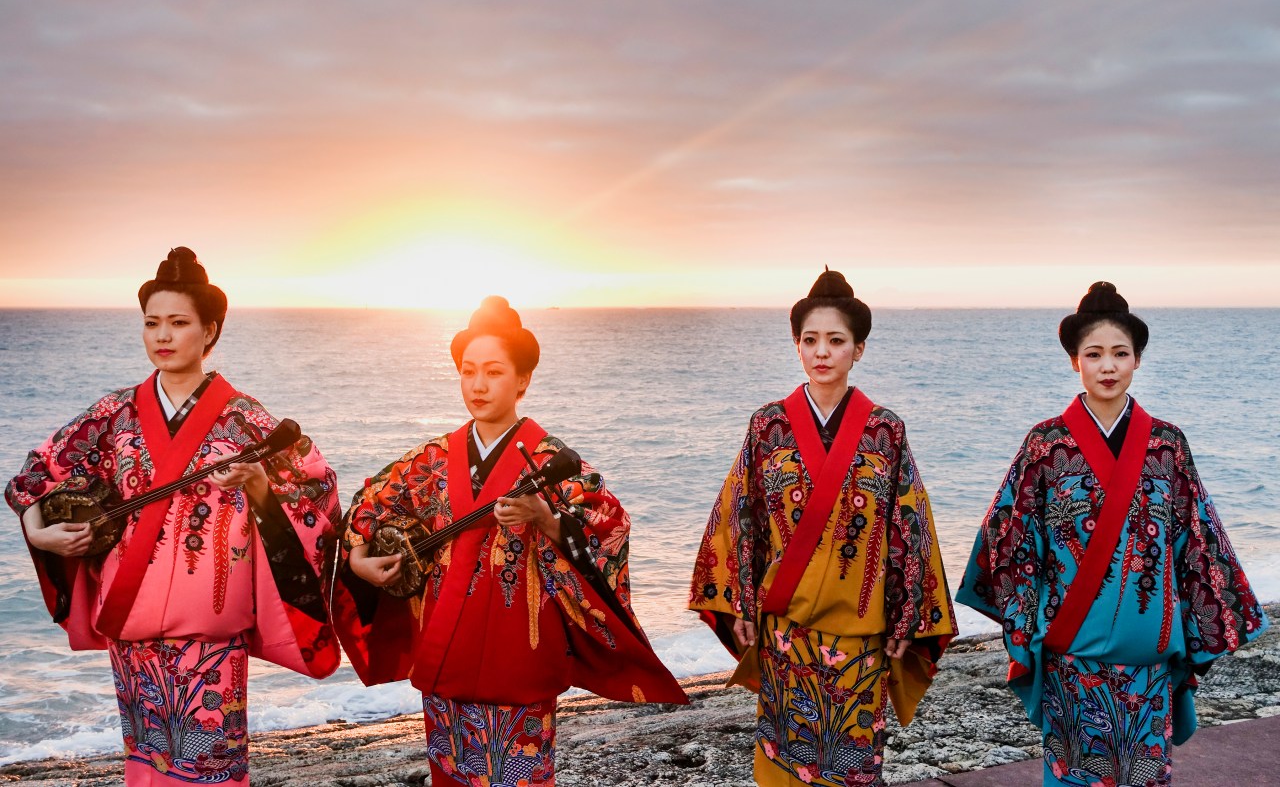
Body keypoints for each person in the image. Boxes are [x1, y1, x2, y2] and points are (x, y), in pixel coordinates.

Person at [5, 247, 341, 785]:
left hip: (210, 625)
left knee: (210, 768)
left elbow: (317, 491)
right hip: (131, 620)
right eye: (151, 323)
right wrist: (42, 533)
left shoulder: (246, 420)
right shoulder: (113, 414)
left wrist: (258, 487)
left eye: (178, 323)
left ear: (209, 331)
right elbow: (34, 477)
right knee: (146, 765)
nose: (162, 335)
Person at [331, 295, 687, 787]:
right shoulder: (433, 457)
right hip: (444, 653)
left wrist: (547, 519)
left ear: (522, 380)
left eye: (494, 372)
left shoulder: (551, 459)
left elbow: (610, 526)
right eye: (468, 370)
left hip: (519, 654)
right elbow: (370, 501)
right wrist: (358, 558)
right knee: (449, 776)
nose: (477, 385)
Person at [955, 281, 1268, 787]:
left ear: (1137, 360)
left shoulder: (1167, 444)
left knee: (1145, 776)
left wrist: (1203, 623)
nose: (1107, 366)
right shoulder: (1047, 444)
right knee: (1077, 778)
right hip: (1070, 654)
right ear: (1073, 361)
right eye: (1093, 354)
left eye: (1120, 353)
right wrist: (1030, 625)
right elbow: (1007, 541)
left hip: (1149, 657)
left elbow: (1198, 539)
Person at [689, 269, 955, 787]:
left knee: (852, 763)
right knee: (786, 760)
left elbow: (911, 522)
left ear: (859, 349)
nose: (822, 352)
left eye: (836, 341)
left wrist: (907, 616)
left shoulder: (885, 429)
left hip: (862, 631)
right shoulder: (768, 424)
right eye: (810, 340)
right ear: (796, 345)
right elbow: (741, 516)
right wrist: (740, 603)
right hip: (785, 629)